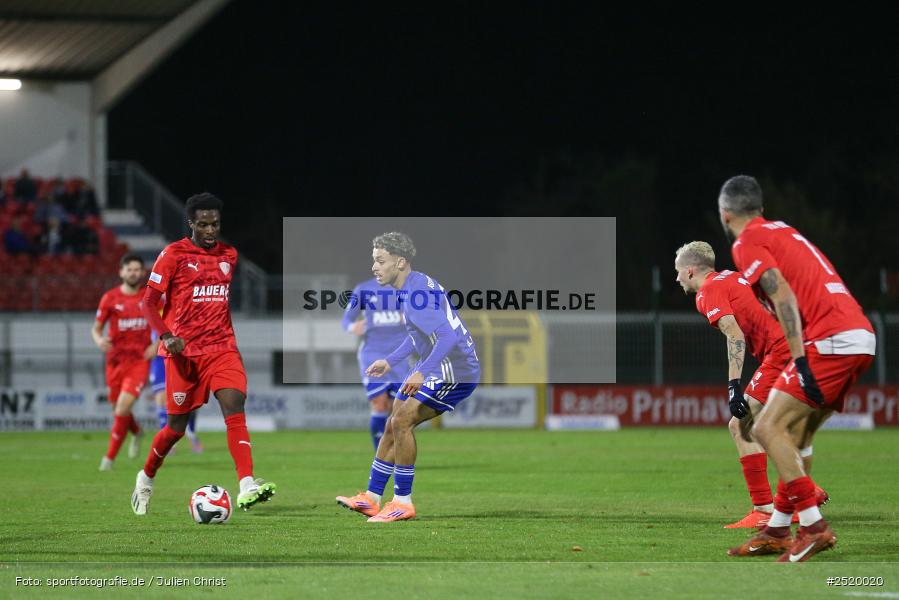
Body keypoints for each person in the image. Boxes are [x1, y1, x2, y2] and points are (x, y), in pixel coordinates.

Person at [718, 176, 875, 562]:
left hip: (828, 339)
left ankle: (813, 527)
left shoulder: (747, 242)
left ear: (725, 214)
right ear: (760, 208)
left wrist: (800, 359)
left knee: (765, 427)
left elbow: (782, 294)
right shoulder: (782, 230)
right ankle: (777, 529)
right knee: (797, 436)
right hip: (857, 334)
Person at [131, 192, 276, 515]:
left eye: (215, 224)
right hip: (183, 354)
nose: (210, 230)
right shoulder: (173, 254)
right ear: (191, 224)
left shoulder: (229, 255)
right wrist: (167, 336)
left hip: (222, 348)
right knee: (175, 429)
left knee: (234, 405)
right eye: (203, 225)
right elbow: (148, 303)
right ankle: (146, 476)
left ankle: (247, 484)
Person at [675, 241, 826, 529]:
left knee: (740, 425)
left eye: (678, 271)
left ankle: (764, 508)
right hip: (796, 346)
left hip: (780, 351)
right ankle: (806, 490)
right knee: (772, 426)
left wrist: (734, 386)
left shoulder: (707, 292)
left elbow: (735, 335)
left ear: (690, 270)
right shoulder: (733, 277)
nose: (677, 278)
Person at [336, 232, 480, 522]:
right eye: (374, 260)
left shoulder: (416, 296)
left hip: (455, 371)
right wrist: (390, 361)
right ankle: (371, 498)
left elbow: (447, 338)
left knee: (402, 421)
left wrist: (421, 372)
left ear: (400, 262)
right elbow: (418, 336)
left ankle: (402, 502)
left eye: (380, 261)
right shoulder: (411, 286)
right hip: (438, 366)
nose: (374, 267)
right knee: (394, 420)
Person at [93, 254, 156, 471]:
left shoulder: (150, 297)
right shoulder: (110, 298)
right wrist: (99, 340)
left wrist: (157, 345)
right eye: (129, 269)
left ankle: (108, 460)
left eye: (137, 269)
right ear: (121, 272)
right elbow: (96, 328)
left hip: (139, 361)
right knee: (117, 408)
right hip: (115, 361)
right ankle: (137, 432)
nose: (133, 273)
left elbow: (168, 320)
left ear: (143, 272)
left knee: (122, 407)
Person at [342, 276, 413, 450]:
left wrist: (411, 317)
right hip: (372, 354)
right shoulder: (363, 289)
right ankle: (380, 456)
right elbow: (346, 320)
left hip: (400, 356)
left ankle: (395, 451)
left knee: (398, 410)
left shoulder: (408, 288)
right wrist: (352, 327)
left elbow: (425, 316)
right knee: (379, 404)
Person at [149, 330, 203, 453]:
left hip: (180, 356)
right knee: (161, 399)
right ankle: (167, 442)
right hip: (160, 360)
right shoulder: (149, 319)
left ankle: (191, 433)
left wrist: (158, 343)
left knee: (191, 399)